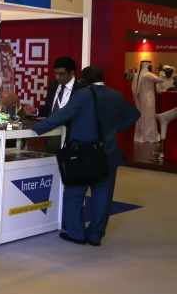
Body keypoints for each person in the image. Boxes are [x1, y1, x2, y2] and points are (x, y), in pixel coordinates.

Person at [32, 66, 139, 246]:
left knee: (75, 194)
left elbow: (61, 116)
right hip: (108, 153)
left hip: (83, 154)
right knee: (102, 197)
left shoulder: (83, 95)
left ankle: (76, 233)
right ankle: (96, 235)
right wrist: (114, 130)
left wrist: (36, 128)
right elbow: (134, 115)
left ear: (84, 80)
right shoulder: (116, 95)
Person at [132, 60, 164, 143]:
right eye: (151, 66)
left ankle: (141, 136)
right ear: (148, 66)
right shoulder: (148, 75)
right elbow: (160, 80)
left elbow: (133, 89)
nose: (152, 67)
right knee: (149, 117)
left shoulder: (137, 76)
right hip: (148, 99)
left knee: (141, 117)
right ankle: (149, 137)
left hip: (139, 100)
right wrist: (161, 71)